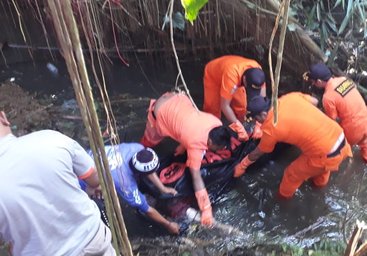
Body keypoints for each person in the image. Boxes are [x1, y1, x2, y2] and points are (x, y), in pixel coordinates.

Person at [0, 111, 128, 256]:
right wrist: (90, 188)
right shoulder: (50, 138)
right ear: (3, 118)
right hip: (91, 235)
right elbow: (95, 180)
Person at [140, 91, 234, 226]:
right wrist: (206, 209)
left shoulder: (216, 123)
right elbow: (196, 178)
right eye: (218, 148)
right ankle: (137, 153)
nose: (219, 151)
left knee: (182, 127)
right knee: (148, 143)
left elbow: (192, 127)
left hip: (175, 98)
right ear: (210, 143)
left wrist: (184, 145)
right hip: (158, 112)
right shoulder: (196, 145)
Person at [233, 92, 352, 199]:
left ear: (264, 114)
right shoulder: (289, 98)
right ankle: (319, 188)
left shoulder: (271, 127)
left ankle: (283, 200)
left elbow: (259, 151)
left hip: (325, 154)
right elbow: (315, 101)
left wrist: (243, 165)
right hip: (340, 137)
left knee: (291, 174)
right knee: (322, 168)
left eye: (255, 119)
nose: (256, 122)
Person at [80, 143, 181, 235]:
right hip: (81, 179)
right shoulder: (125, 183)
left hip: (85, 159)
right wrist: (168, 225)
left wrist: (162, 188)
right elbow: (147, 209)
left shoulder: (137, 149)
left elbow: (148, 169)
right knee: (93, 203)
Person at [303, 63, 367, 167]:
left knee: (338, 149)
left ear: (319, 81)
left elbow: (332, 121)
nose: (313, 84)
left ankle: (344, 166)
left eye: (313, 82)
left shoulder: (327, 97)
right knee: (365, 144)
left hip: (354, 131)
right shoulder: (344, 80)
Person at [203, 55, 266, 140]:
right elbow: (225, 106)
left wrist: (259, 124)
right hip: (214, 77)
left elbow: (262, 101)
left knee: (240, 105)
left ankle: (240, 122)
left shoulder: (258, 73)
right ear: (244, 80)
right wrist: (239, 128)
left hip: (232, 73)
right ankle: (210, 135)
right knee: (212, 109)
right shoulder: (231, 75)